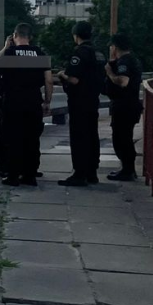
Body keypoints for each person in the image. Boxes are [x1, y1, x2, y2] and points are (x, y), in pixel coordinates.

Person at [0, 23, 53, 187]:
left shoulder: (9, 54)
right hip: (33, 102)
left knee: (13, 139)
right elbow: (49, 80)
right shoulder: (40, 54)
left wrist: (5, 48)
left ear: (14, 36)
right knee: (32, 139)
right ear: (30, 37)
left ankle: (13, 176)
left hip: (13, 103)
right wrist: (47, 102)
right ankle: (30, 176)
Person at [56, 21, 103, 187]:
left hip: (79, 101)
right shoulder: (98, 53)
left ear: (76, 36)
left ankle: (79, 173)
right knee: (92, 135)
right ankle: (92, 172)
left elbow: (74, 79)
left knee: (79, 136)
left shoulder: (80, 52)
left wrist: (62, 75)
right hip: (93, 99)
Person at [104, 33, 143, 181]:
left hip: (124, 106)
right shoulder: (133, 60)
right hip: (130, 105)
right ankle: (127, 169)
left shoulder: (124, 62)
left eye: (111, 46)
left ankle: (127, 170)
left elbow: (123, 81)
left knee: (121, 139)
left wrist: (110, 73)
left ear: (115, 47)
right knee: (125, 138)